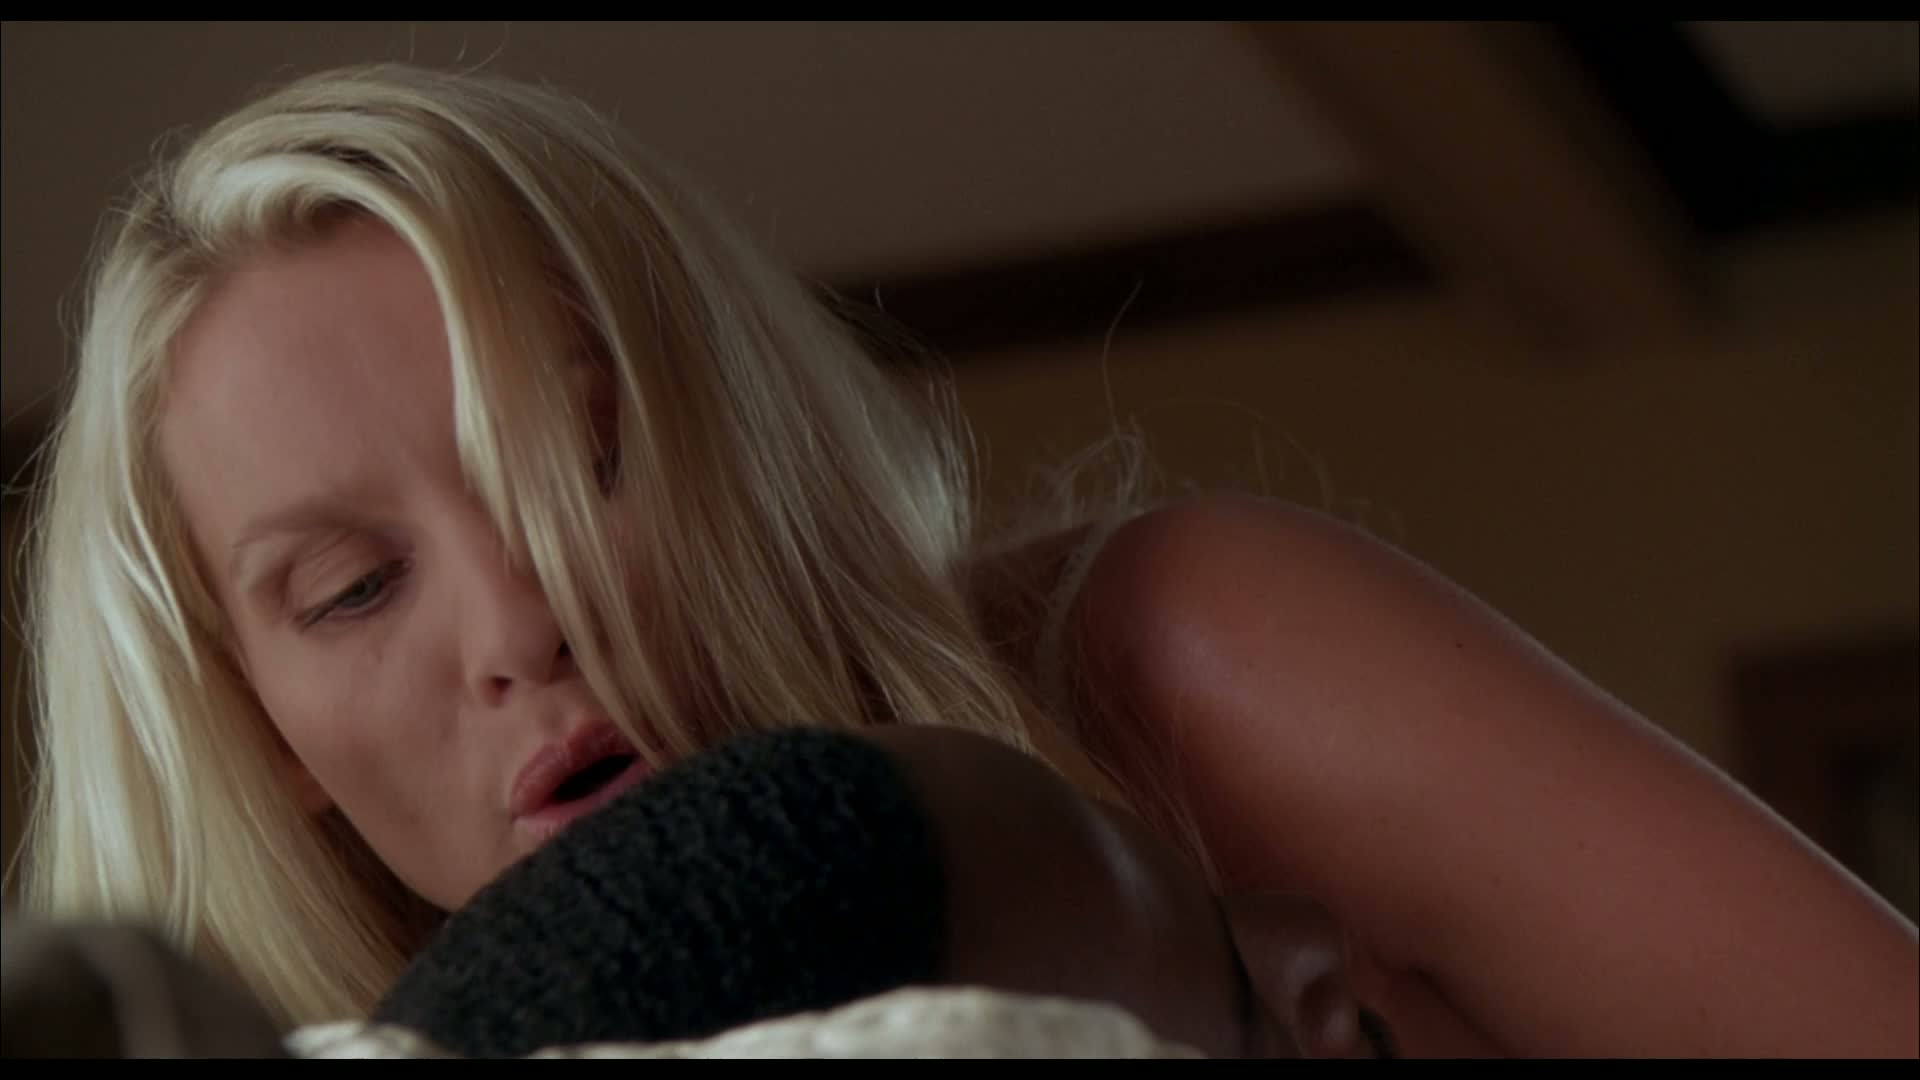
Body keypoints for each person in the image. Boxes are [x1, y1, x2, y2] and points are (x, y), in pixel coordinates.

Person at [8, 61, 1914, 1058]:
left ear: (727, 428)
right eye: (354, 590)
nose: (521, 622)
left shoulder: (1178, 667)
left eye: (582, 461)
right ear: (257, 731)